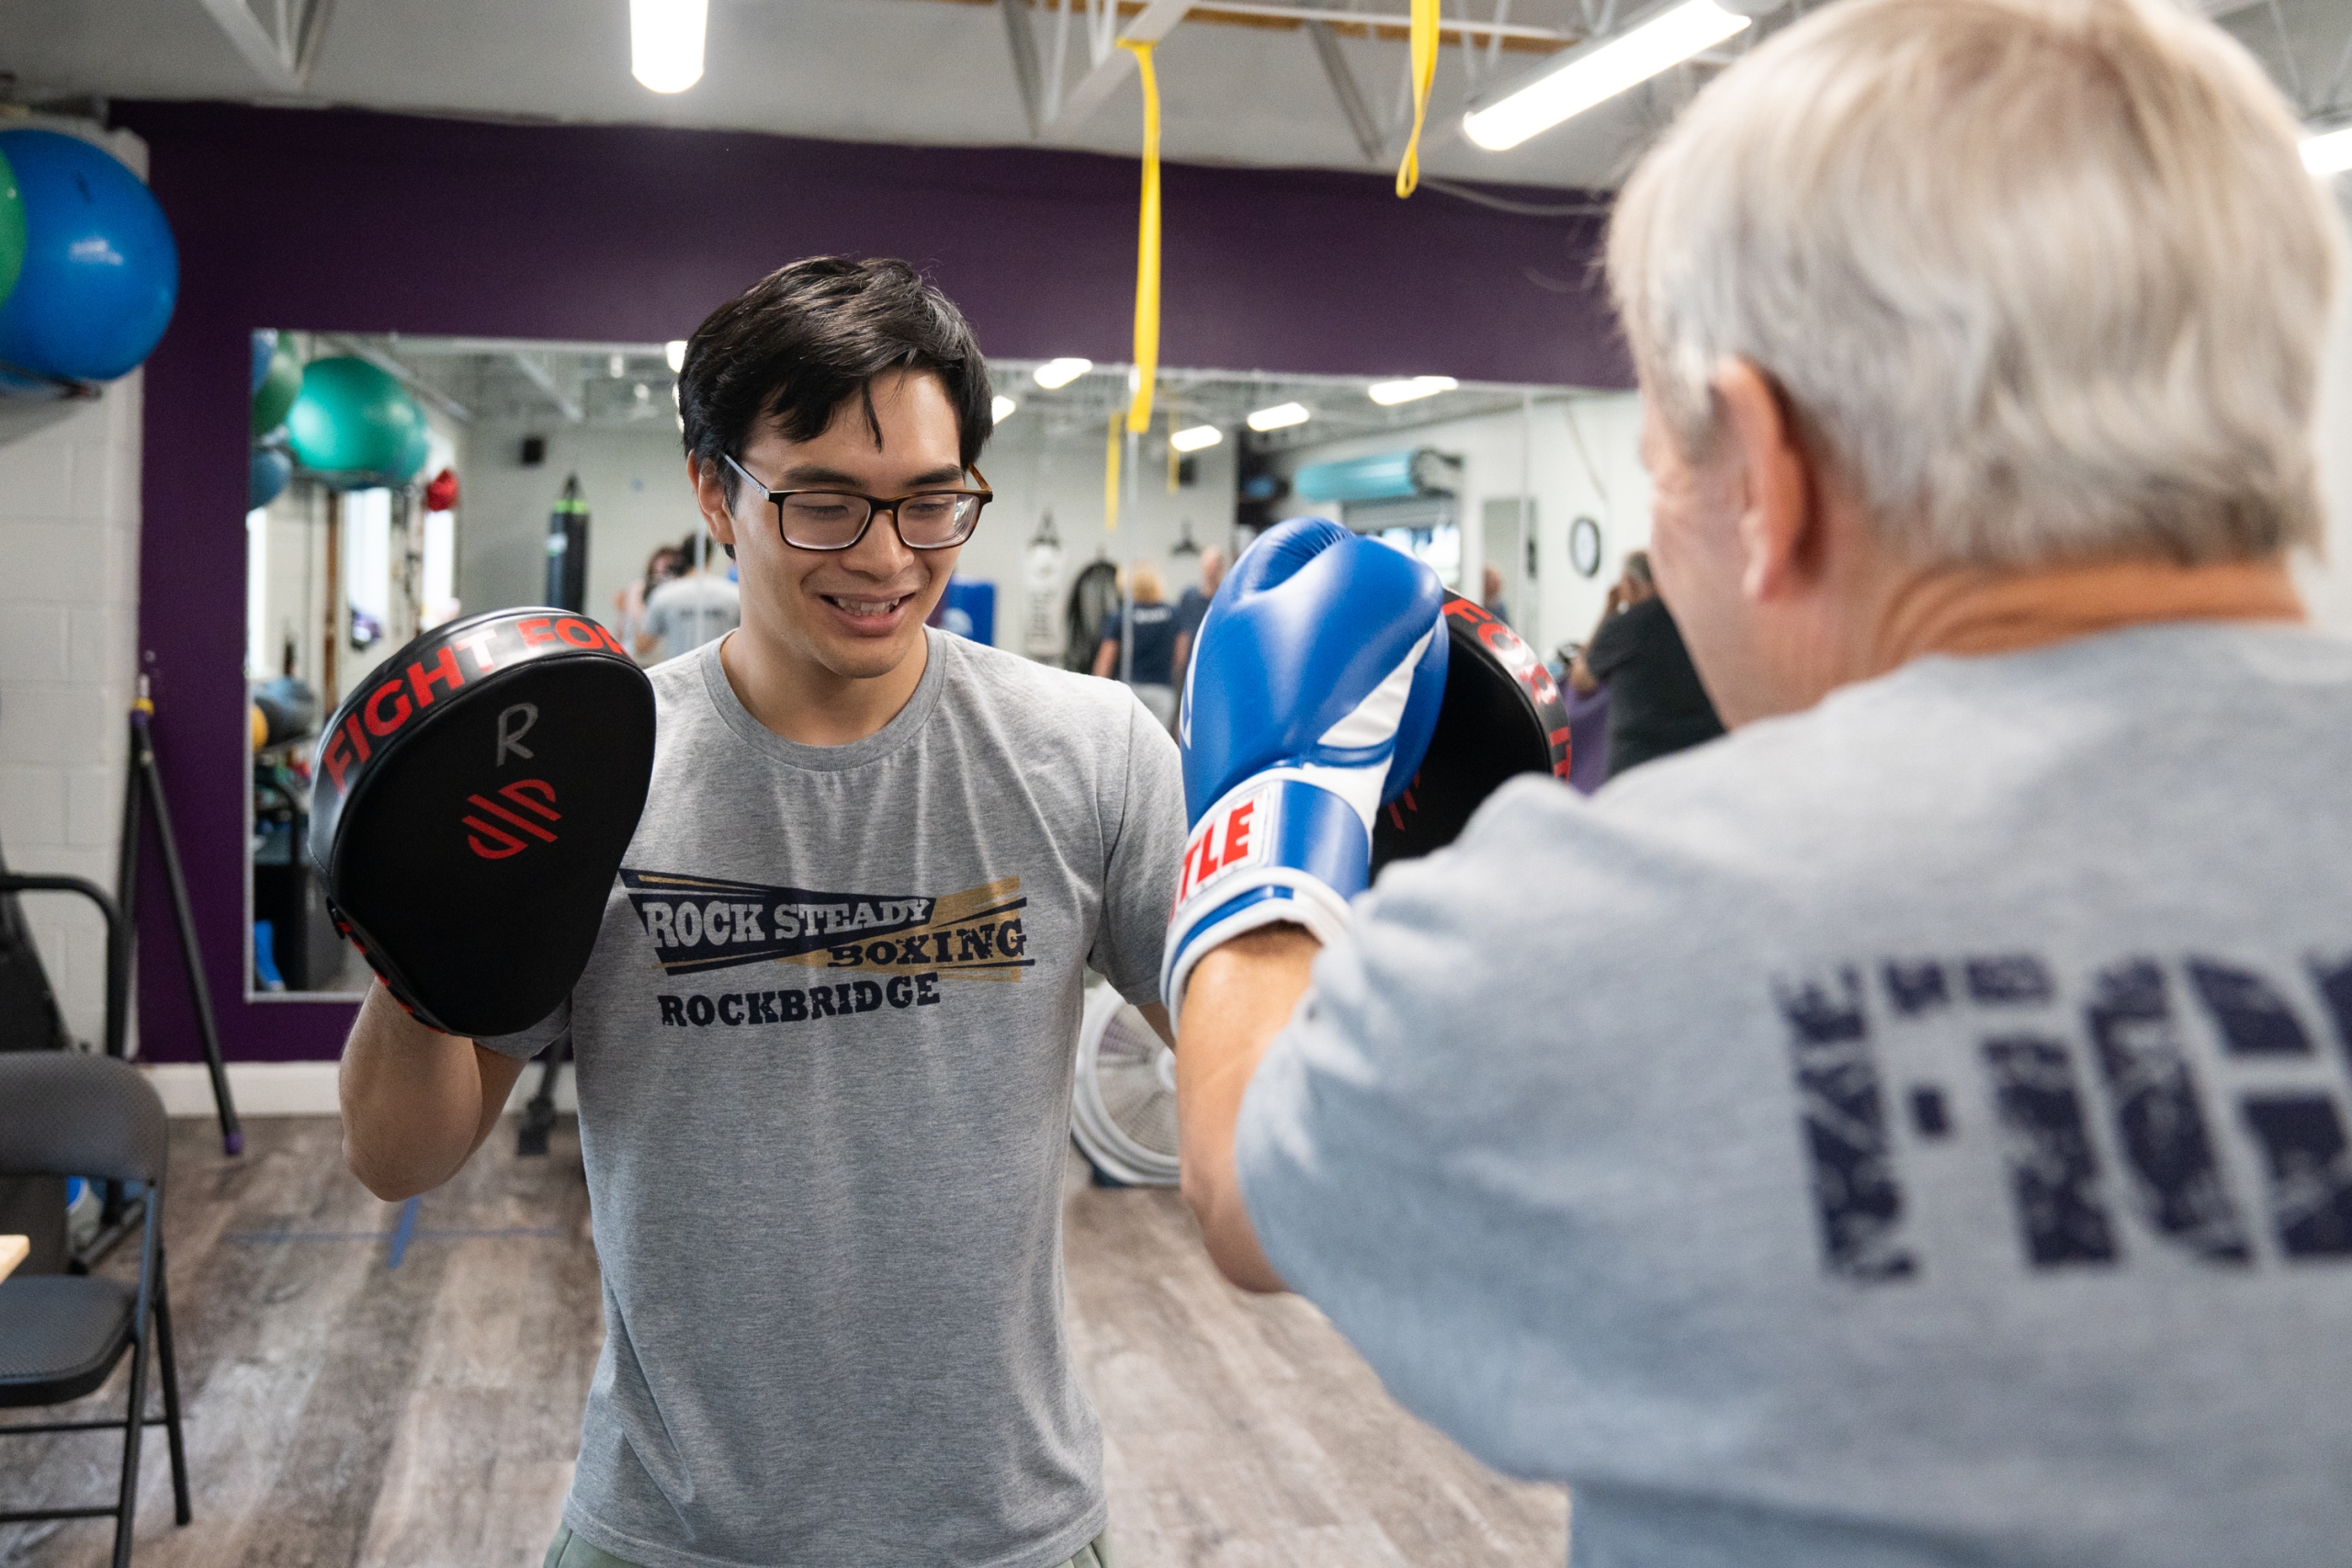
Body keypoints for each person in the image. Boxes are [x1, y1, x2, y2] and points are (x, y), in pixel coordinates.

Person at [1164, 1, 2352, 1564]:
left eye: (1665, 462)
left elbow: (1247, 1175)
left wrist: (1267, 823)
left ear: (1769, 468)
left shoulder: (1614, 926)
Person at [337, 256, 1184, 1568]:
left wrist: (1302, 854)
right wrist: (422, 908)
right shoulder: (593, 775)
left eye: (931, 504)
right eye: (826, 504)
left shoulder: (1086, 749)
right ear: (714, 492)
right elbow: (401, 1152)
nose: (888, 557)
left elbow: (1277, 1084)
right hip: (672, 1531)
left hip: (1003, 1526)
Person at [1568, 549, 1724, 778]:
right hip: (1703, 760)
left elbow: (1581, 680)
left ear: (1630, 584)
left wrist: (1608, 610)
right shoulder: (1698, 619)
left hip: (1639, 768)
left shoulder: (1628, 626)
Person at [1091, 558, 1179, 728]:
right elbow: (1180, 657)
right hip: (1161, 690)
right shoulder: (1172, 614)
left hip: (1130, 691)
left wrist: (1094, 694)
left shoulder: (1121, 616)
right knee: (1157, 747)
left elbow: (1105, 660)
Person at [636, 530, 741, 663]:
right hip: (723, 676)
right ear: (710, 557)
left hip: (679, 676)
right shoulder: (733, 594)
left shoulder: (664, 595)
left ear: (683, 555)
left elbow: (642, 646)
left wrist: (634, 607)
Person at [1169, 544, 1227, 685]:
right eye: (1207, 565)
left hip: (1217, 661)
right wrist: (1179, 662)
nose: (1209, 570)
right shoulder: (1189, 596)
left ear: (1220, 567)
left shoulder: (1225, 597)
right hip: (1191, 662)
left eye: (1213, 565)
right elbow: (1182, 631)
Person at [615, 542, 681, 662]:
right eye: (663, 561)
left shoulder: (676, 591)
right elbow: (636, 620)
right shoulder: (639, 587)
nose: (666, 565)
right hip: (635, 653)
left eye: (670, 562)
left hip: (662, 656)